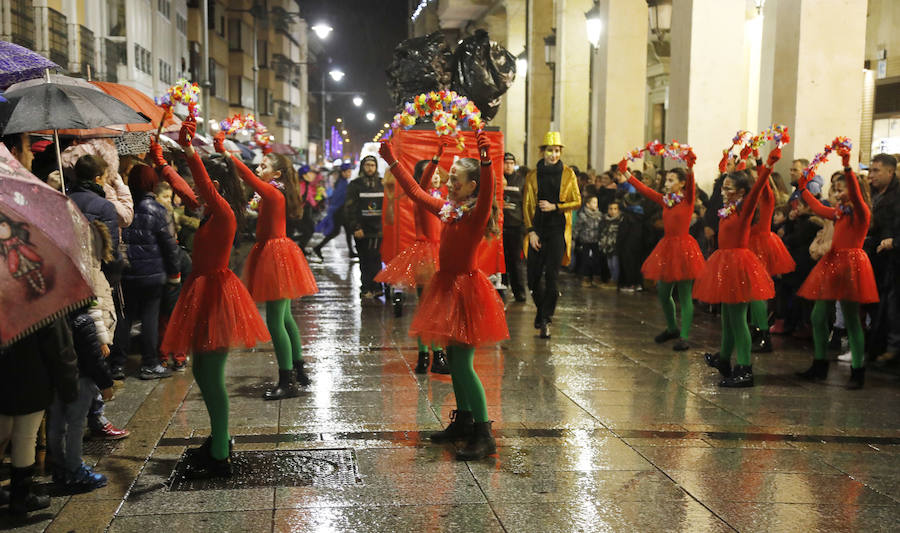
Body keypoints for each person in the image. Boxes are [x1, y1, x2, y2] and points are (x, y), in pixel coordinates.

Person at [379, 132, 508, 460]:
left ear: (472, 186)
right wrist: (392, 161)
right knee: (454, 359)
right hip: (448, 288)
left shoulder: (476, 215)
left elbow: (488, 190)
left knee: (462, 365)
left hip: (467, 291)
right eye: (449, 178)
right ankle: (463, 421)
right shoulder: (449, 211)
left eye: (455, 179)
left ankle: (484, 434)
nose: (449, 183)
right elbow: (416, 191)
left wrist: (486, 162)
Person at [157, 122, 269, 477]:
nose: (195, 189)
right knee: (201, 371)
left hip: (216, 295)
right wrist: (162, 163)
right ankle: (219, 438)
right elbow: (185, 188)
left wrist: (190, 151)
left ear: (216, 186)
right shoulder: (208, 210)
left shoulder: (223, 212)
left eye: (203, 184)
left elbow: (201, 184)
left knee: (212, 374)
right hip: (202, 291)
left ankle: (220, 453)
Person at [213, 133, 318, 399]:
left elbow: (247, 176)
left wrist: (226, 153)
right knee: (285, 318)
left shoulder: (272, 192)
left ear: (277, 174)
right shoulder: (273, 193)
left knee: (275, 321)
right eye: (259, 165)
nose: (259, 168)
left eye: (264, 166)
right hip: (276, 253)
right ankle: (298, 369)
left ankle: (287, 380)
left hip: (276, 255)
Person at [695, 147, 781, 387]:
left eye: (728, 189)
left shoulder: (745, 208)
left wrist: (766, 165)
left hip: (738, 265)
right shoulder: (728, 208)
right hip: (725, 263)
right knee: (728, 319)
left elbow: (757, 189)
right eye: (723, 187)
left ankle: (745, 369)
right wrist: (730, 165)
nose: (724, 192)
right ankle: (724, 359)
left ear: (742, 192)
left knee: (739, 320)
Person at [796, 147, 877, 389]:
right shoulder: (840, 213)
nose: (838, 193)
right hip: (833, 264)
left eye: (842, 189)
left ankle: (857, 372)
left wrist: (848, 166)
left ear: (854, 190)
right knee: (818, 316)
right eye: (836, 189)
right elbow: (818, 208)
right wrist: (803, 188)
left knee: (852, 319)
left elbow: (856, 194)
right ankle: (819, 364)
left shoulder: (861, 212)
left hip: (851, 265)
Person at [375, 154, 451, 375]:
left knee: (432, 307)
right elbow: (424, 184)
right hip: (427, 256)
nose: (435, 176)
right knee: (430, 307)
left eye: (436, 172)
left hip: (437, 253)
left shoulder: (439, 196)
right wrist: (436, 158)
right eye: (430, 173)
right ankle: (435, 355)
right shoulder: (422, 195)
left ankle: (425, 357)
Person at [622, 159, 705, 351]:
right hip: (667, 248)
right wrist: (626, 173)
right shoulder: (666, 201)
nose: (666, 183)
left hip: (684, 249)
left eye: (671, 180)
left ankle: (684, 336)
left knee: (684, 295)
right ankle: (672, 328)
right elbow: (645, 190)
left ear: (682, 183)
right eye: (666, 179)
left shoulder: (688, 199)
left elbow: (691, 185)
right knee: (663, 292)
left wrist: (690, 168)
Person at [0, 319, 78, 514]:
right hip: (30, 381)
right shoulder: (40, 307)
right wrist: (69, 389)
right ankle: (21, 497)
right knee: (25, 438)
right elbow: (61, 350)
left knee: (2, 433)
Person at [116, 163, 182, 380]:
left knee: (124, 317)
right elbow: (170, 246)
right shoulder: (159, 211)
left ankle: (116, 365)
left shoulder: (123, 208)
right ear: (153, 183)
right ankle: (150, 364)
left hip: (125, 273)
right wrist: (174, 274)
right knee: (149, 318)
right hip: (152, 276)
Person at [46, 306, 114, 492]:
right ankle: (75, 469)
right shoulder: (83, 320)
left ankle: (60, 466)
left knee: (56, 424)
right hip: (81, 379)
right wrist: (106, 383)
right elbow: (93, 357)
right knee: (75, 426)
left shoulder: (50, 318)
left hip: (56, 379)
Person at [523, 132, 582, 339]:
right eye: (550, 150)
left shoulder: (568, 174)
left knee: (552, 277)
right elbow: (527, 205)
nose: (554, 155)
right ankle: (542, 311)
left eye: (557, 151)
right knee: (532, 278)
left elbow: (577, 201)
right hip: (538, 230)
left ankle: (546, 319)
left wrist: (556, 206)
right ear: (543, 151)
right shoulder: (532, 175)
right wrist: (531, 232)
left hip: (557, 230)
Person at [747, 153, 796, 353]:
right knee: (751, 292)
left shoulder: (766, 197)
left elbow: (764, 180)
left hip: (761, 246)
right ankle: (756, 329)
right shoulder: (749, 199)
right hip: (748, 244)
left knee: (758, 292)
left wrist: (761, 163)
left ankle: (764, 334)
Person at [865, 154, 900, 365]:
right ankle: (877, 345)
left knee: (893, 307)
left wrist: (894, 241)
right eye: (871, 170)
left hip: (893, 258)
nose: (872, 175)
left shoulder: (897, 195)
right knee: (877, 305)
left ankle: (893, 348)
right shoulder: (873, 193)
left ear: (890, 171)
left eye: (876, 170)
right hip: (875, 256)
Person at [345, 155, 385, 299]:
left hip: (378, 229)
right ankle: (366, 287)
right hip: (362, 230)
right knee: (364, 259)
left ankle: (377, 287)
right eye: (367, 165)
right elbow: (350, 208)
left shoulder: (382, 183)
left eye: (372, 165)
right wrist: (356, 227)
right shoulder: (355, 185)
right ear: (363, 167)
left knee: (376, 258)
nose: (370, 168)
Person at [313, 162, 356, 261]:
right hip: (339, 212)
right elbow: (338, 199)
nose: (350, 173)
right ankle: (318, 247)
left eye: (350, 171)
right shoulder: (342, 184)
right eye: (348, 172)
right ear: (343, 173)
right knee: (336, 232)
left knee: (347, 231)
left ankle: (351, 251)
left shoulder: (342, 182)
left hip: (341, 211)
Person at [501, 153, 526, 302]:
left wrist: (525, 225)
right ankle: (502, 288)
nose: (508, 166)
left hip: (516, 226)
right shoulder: (498, 179)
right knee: (501, 260)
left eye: (511, 163)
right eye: (506, 163)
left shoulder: (521, 181)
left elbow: (525, 204)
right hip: (500, 226)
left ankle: (519, 292)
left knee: (516, 261)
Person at [572, 195, 604, 287]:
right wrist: (574, 237)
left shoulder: (599, 215)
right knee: (585, 260)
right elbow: (577, 227)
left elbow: (602, 228)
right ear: (588, 204)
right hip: (585, 241)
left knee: (596, 259)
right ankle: (585, 278)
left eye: (596, 202)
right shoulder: (583, 215)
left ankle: (596, 277)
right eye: (593, 202)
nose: (595, 204)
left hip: (596, 241)